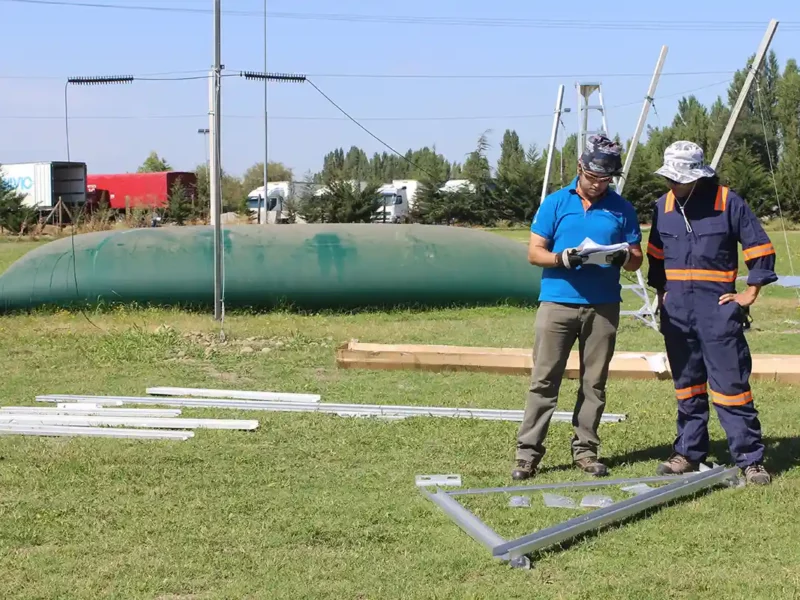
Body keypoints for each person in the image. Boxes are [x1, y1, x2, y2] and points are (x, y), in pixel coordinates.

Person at [512, 134, 643, 480]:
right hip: (557, 303)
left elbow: (636, 259)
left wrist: (624, 257)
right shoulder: (555, 203)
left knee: (594, 383)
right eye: (593, 177)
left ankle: (586, 451)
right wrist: (562, 258)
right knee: (544, 380)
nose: (598, 184)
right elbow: (534, 253)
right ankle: (527, 454)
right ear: (579, 168)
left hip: (603, 306)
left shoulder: (622, 208)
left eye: (605, 179)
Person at [646, 140, 776, 486]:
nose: (673, 184)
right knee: (687, 386)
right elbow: (656, 257)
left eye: (679, 178)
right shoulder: (663, 206)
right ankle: (688, 453)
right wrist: (662, 295)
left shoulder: (727, 201)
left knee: (732, 388)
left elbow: (760, 248)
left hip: (717, 311)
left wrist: (749, 293)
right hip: (677, 313)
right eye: (670, 178)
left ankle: (750, 459)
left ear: (698, 176)